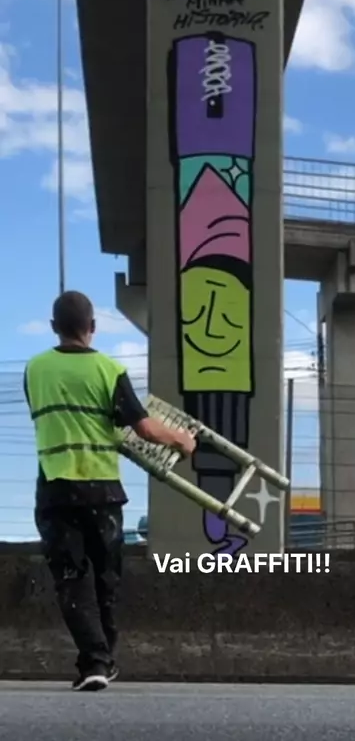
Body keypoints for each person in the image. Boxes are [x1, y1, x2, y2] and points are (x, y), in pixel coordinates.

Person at [24, 291, 196, 692]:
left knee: (71, 577)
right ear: (93, 327)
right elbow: (144, 429)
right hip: (101, 490)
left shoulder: (35, 369)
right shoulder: (109, 369)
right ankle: (102, 659)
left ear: (53, 327)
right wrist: (182, 440)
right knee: (106, 578)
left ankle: (95, 662)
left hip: (55, 487)